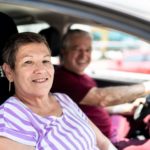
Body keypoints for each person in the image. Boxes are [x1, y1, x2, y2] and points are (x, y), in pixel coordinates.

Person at [0, 32, 117, 150]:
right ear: (9, 71)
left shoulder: (63, 99)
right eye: (28, 62)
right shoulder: (8, 119)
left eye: (45, 61)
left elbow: (103, 143)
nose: (41, 70)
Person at [51, 29, 150, 149]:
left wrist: (126, 108)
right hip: (103, 142)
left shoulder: (81, 76)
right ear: (64, 51)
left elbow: (93, 105)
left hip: (113, 128)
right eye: (77, 49)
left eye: (87, 50)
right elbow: (102, 98)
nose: (83, 55)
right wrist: (146, 87)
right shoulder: (62, 79)